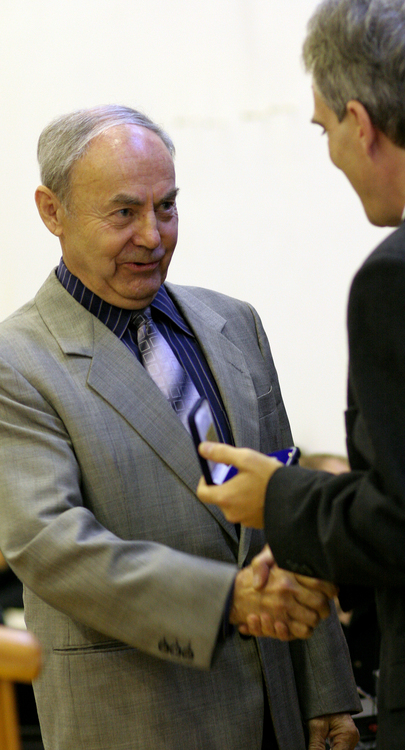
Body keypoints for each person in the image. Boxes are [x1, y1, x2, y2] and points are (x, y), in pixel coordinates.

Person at [0, 105, 360, 750]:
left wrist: (328, 691)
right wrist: (228, 600)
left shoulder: (235, 324)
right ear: (52, 211)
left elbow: (291, 510)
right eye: (124, 213)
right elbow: (52, 546)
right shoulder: (18, 363)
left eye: (166, 207)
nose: (153, 235)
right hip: (141, 721)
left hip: (281, 718)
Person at [196, 0, 405, 746]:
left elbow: (399, 517)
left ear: (360, 121)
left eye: (323, 130)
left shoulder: (391, 279)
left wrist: (279, 498)